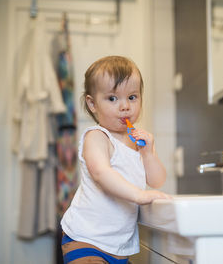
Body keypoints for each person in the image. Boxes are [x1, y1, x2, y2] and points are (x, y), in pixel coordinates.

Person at [60, 55, 170, 264]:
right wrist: (138, 195)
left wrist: (148, 153)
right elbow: (101, 173)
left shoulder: (136, 141)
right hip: (86, 240)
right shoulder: (97, 136)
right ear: (92, 104)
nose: (124, 106)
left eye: (132, 97)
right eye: (112, 98)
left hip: (119, 248)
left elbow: (157, 181)